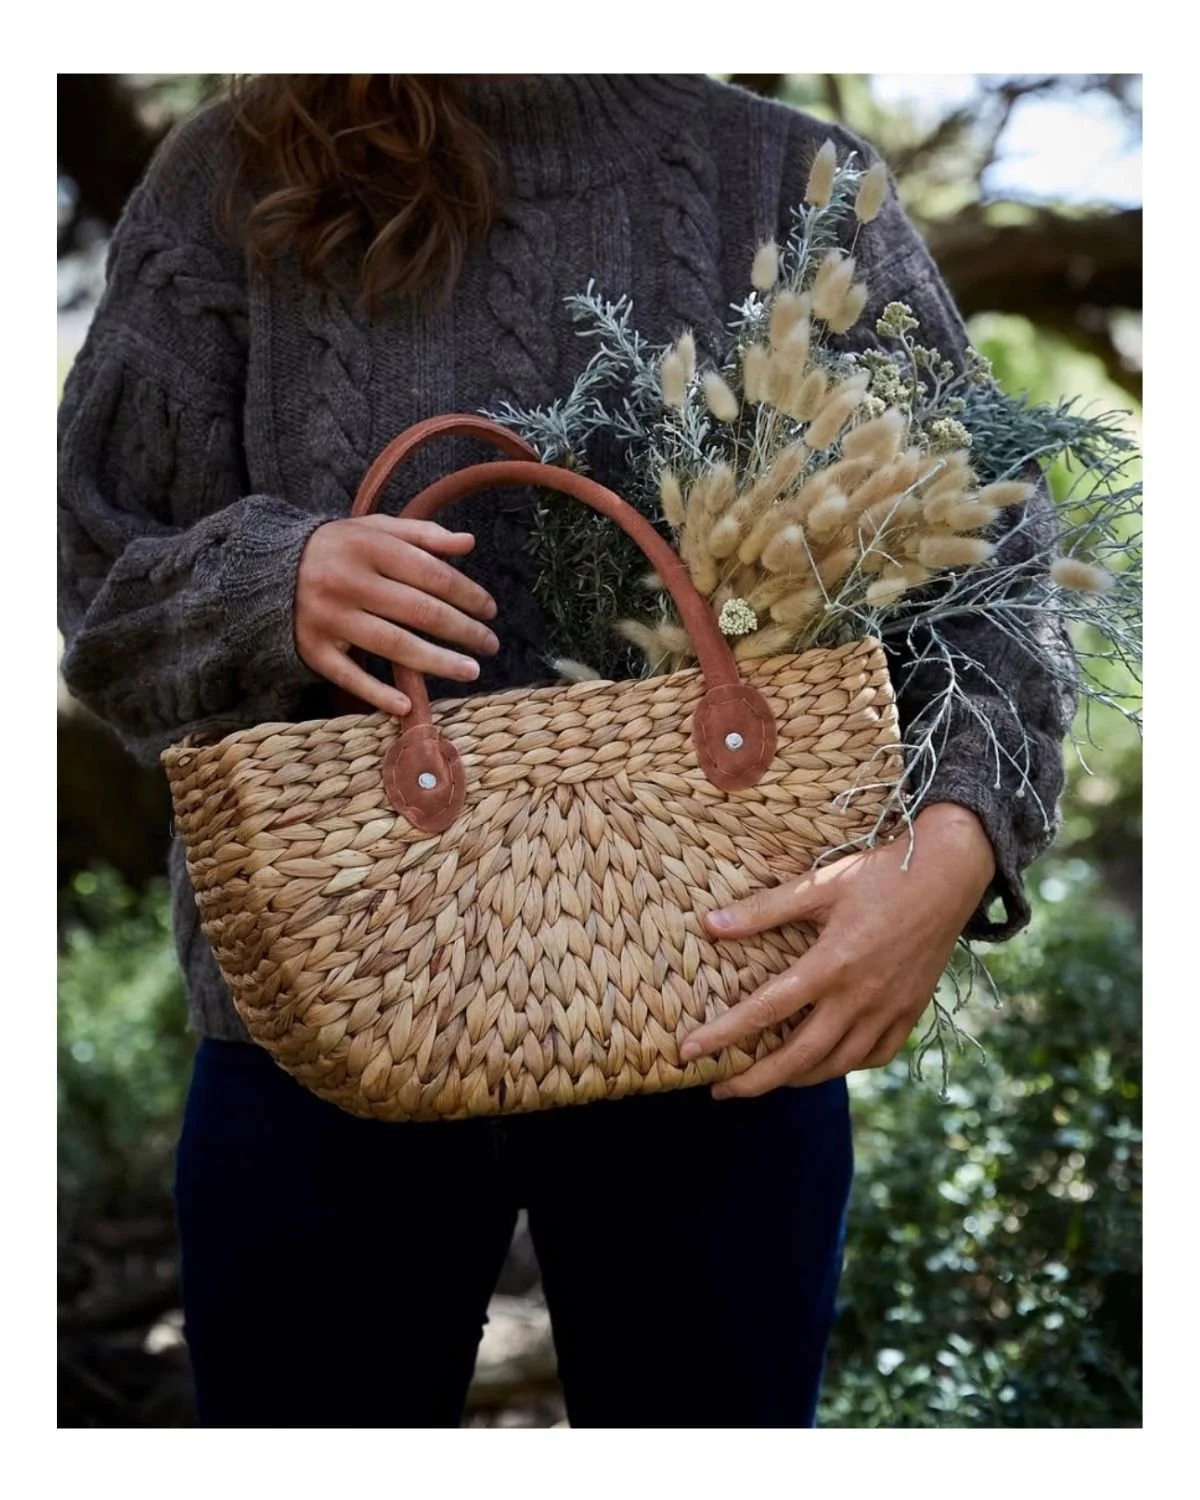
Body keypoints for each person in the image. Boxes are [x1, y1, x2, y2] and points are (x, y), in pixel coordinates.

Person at [57, 74, 1075, 1428]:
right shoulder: (232, 175)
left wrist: (955, 850)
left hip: (731, 1010)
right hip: (315, 1027)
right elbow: (89, 570)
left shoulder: (794, 178)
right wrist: (271, 584)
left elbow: (990, 561)